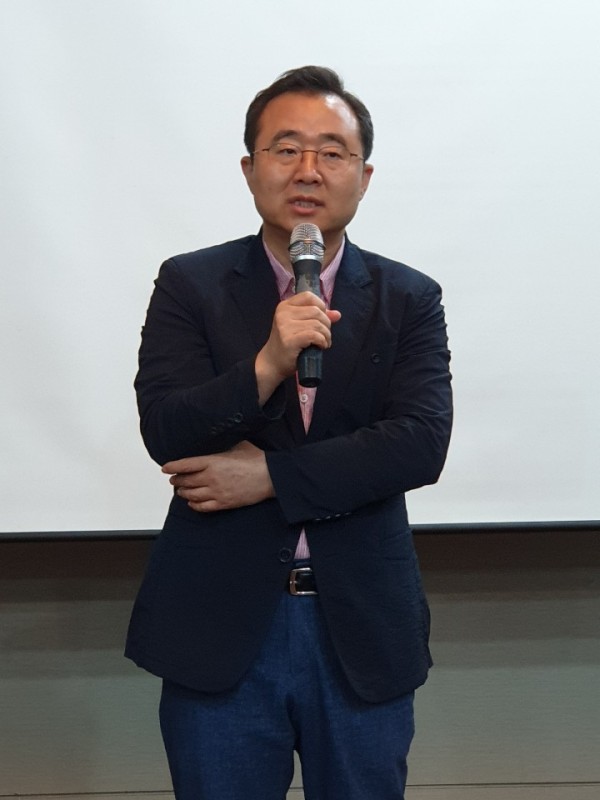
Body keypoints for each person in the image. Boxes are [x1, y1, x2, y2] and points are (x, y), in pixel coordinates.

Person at [126, 65, 452, 800]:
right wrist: (268, 363)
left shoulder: (409, 297)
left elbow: (418, 443)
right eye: (286, 149)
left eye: (332, 152)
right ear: (250, 169)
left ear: (364, 176)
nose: (308, 169)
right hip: (220, 625)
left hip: (359, 624)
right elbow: (167, 427)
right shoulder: (190, 284)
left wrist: (269, 477)